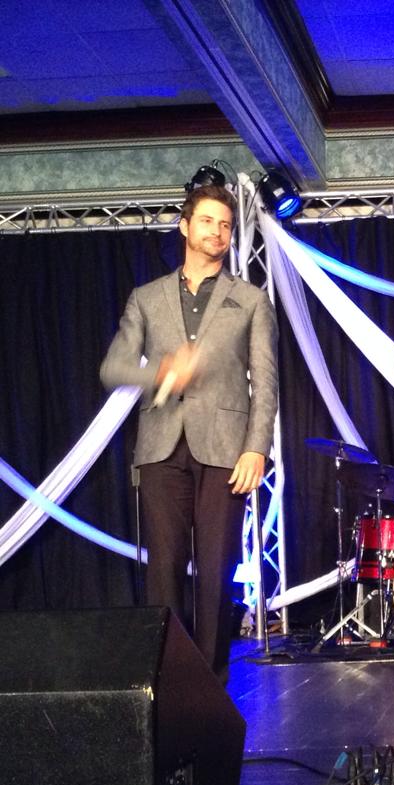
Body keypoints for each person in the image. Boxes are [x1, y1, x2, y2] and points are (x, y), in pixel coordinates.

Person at [101, 184, 279, 682]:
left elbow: (266, 382)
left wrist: (256, 448)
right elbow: (112, 368)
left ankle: (211, 685)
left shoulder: (250, 300)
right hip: (160, 446)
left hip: (226, 449)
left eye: (225, 225)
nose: (217, 232)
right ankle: (168, 682)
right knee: (164, 572)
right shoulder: (147, 297)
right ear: (185, 226)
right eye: (207, 221)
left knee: (217, 572)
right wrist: (161, 373)